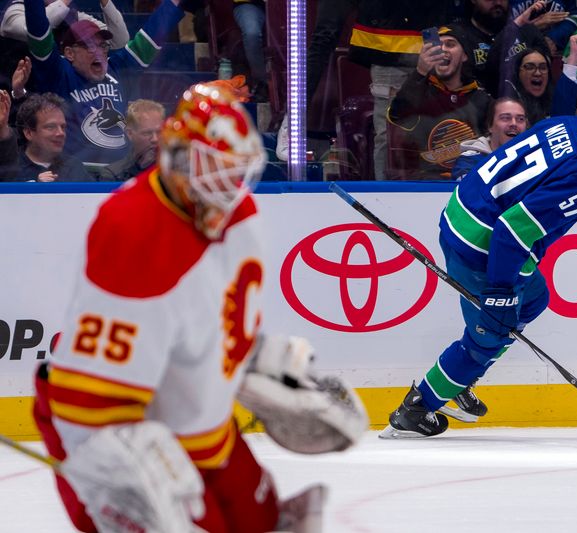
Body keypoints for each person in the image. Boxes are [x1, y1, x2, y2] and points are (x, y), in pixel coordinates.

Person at [32, 84, 368, 532]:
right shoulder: (132, 229)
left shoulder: (240, 210)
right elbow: (85, 395)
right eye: (208, 170)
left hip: (204, 429)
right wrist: (119, 479)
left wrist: (256, 362)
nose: (224, 190)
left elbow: (208, 320)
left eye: (235, 173)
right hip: (113, 431)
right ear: (173, 156)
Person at [381, 82, 577, 438]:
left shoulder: (570, 125)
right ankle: (416, 410)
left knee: (533, 297)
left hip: (458, 214)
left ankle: (463, 376)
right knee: (490, 333)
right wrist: (500, 289)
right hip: (481, 241)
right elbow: (513, 229)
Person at [23, 0, 185, 166]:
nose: (98, 52)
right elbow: (38, 33)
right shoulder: (58, 72)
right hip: (77, 174)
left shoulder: (116, 67)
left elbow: (149, 39)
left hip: (120, 171)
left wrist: (172, 3)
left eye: (102, 46)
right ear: (69, 53)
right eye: (89, 46)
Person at [387, 24, 491, 180]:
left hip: (469, 182)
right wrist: (420, 71)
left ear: (464, 55)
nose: (442, 49)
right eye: (437, 45)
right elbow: (396, 115)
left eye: (450, 44)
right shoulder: (419, 92)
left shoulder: (483, 99)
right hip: (424, 185)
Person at [14, 92, 93, 182]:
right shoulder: (11, 168)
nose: (61, 133)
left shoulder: (74, 167)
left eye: (63, 127)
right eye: (51, 127)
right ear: (28, 133)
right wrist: (34, 188)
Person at [452, 96, 528, 180]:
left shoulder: (535, 158)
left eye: (520, 119)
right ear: (490, 126)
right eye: (506, 118)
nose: (514, 123)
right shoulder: (469, 160)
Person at [1, 0, 129, 49]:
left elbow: (118, 40)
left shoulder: (73, 16)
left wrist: (105, 1)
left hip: (61, 99)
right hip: (18, 98)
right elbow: (35, 29)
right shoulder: (15, 10)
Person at [97, 99, 164, 181]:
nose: (155, 139)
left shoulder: (177, 172)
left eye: (160, 132)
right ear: (130, 134)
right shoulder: (113, 175)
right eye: (147, 133)